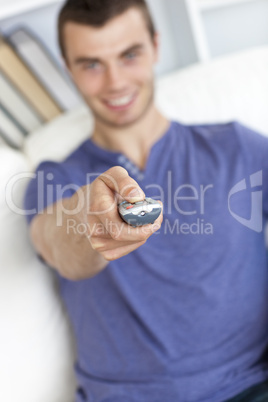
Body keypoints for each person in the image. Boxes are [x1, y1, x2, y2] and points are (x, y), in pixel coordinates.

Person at [24, 0, 268, 401]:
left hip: (248, 386)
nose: (115, 82)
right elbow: (55, 241)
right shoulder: (57, 177)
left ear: (155, 47)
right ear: (69, 70)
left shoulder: (234, 147)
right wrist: (92, 221)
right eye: (91, 65)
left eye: (130, 55)